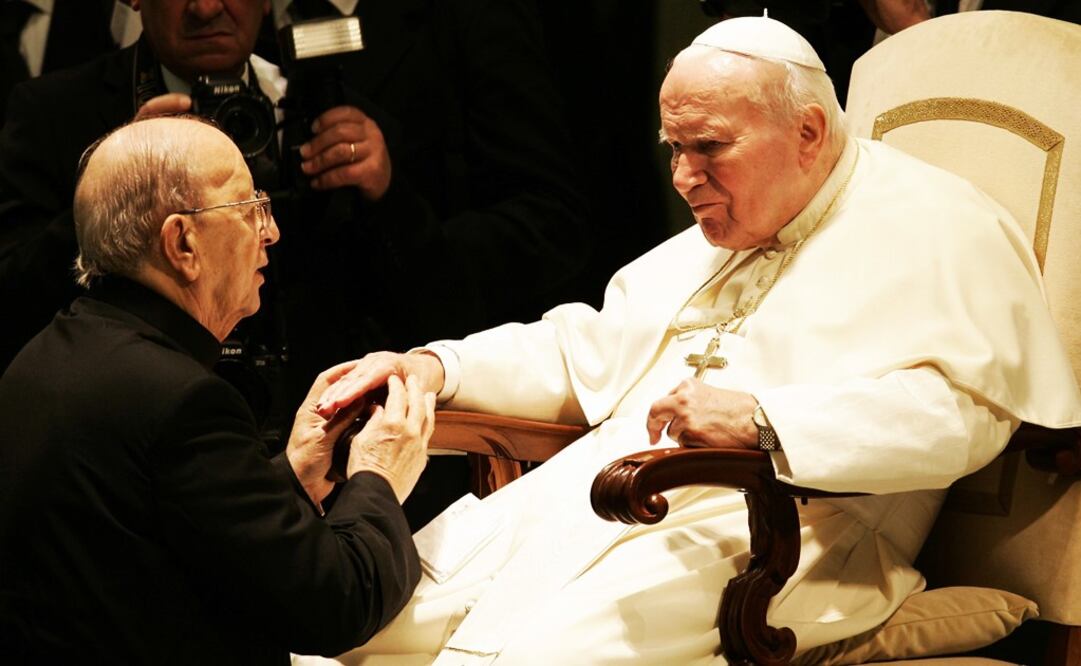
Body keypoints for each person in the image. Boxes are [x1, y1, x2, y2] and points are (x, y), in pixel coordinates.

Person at [303, 16, 1081, 664]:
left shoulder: (940, 227)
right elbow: (587, 351)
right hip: (589, 496)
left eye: (706, 146)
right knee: (349, 623)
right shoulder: (726, 226)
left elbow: (963, 415)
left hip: (791, 531)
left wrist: (767, 422)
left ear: (807, 130)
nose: (681, 175)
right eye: (674, 147)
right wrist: (438, 367)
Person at [0, 116, 433, 664]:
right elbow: (338, 605)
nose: (270, 231)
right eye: (249, 208)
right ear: (182, 242)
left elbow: (169, 549)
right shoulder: (180, 400)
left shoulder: (43, 357)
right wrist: (379, 476)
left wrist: (293, 474)